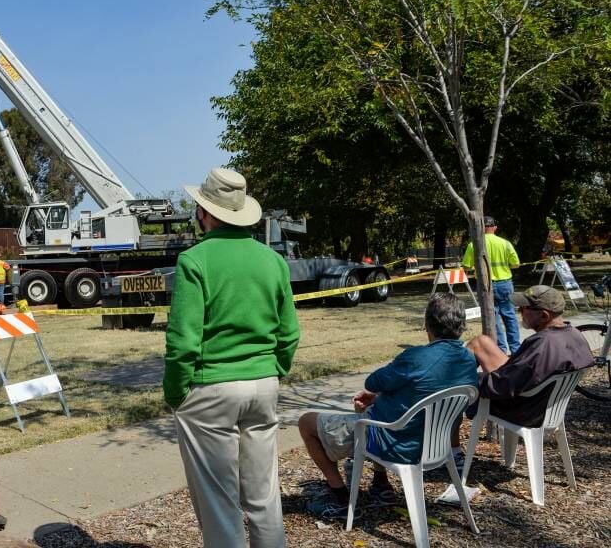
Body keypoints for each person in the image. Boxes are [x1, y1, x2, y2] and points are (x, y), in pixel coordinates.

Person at [165, 167, 300, 548]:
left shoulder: (195, 260)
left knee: (219, 503)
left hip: (211, 389)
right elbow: (289, 333)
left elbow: (182, 342)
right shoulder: (272, 261)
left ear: (205, 213)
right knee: (264, 496)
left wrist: (176, 393)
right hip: (263, 384)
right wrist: (274, 370)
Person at [298, 292, 478, 520]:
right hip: (437, 447)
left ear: (427, 324)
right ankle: (380, 484)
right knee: (375, 406)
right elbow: (423, 394)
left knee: (306, 422)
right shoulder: (468, 359)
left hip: (396, 444)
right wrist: (380, 397)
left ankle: (340, 496)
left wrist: (379, 394)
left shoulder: (415, 357)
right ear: (461, 326)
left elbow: (372, 382)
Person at [461, 285, 594, 429]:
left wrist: (472, 379)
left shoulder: (541, 345)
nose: (519, 311)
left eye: (524, 308)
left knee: (458, 385)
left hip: (522, 411)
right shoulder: (574, 334)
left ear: (544, 315)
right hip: (544, 405)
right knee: (482, 342)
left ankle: (449, 439)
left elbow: (504, 386)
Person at [462, 215, 521, 353]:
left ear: (481, 228)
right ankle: (516, 349)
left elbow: (466, 266)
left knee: (492, 317)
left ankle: (500, 349)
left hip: (485, 286)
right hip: (505, 284)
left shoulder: (474, 245)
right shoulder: (505, 243)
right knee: (510, 316)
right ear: (494, 228)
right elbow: (516, 264)